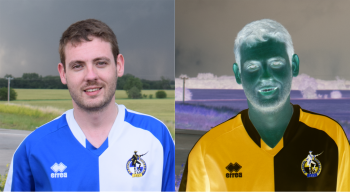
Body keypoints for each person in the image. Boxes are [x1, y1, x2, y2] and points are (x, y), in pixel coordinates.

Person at [4, 19, 174, 192]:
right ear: (63, 73)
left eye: (101, 63)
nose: (91, 76)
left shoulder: (156, 138)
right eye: (78, 66)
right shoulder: (33, 148)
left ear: (119, 65)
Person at [179, 19, 350, 192]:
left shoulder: (331, 138)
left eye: (276, 63)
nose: (266, 76)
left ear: (294, 65)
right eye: (253, 66)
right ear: (238, 74)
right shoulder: (207, 150)